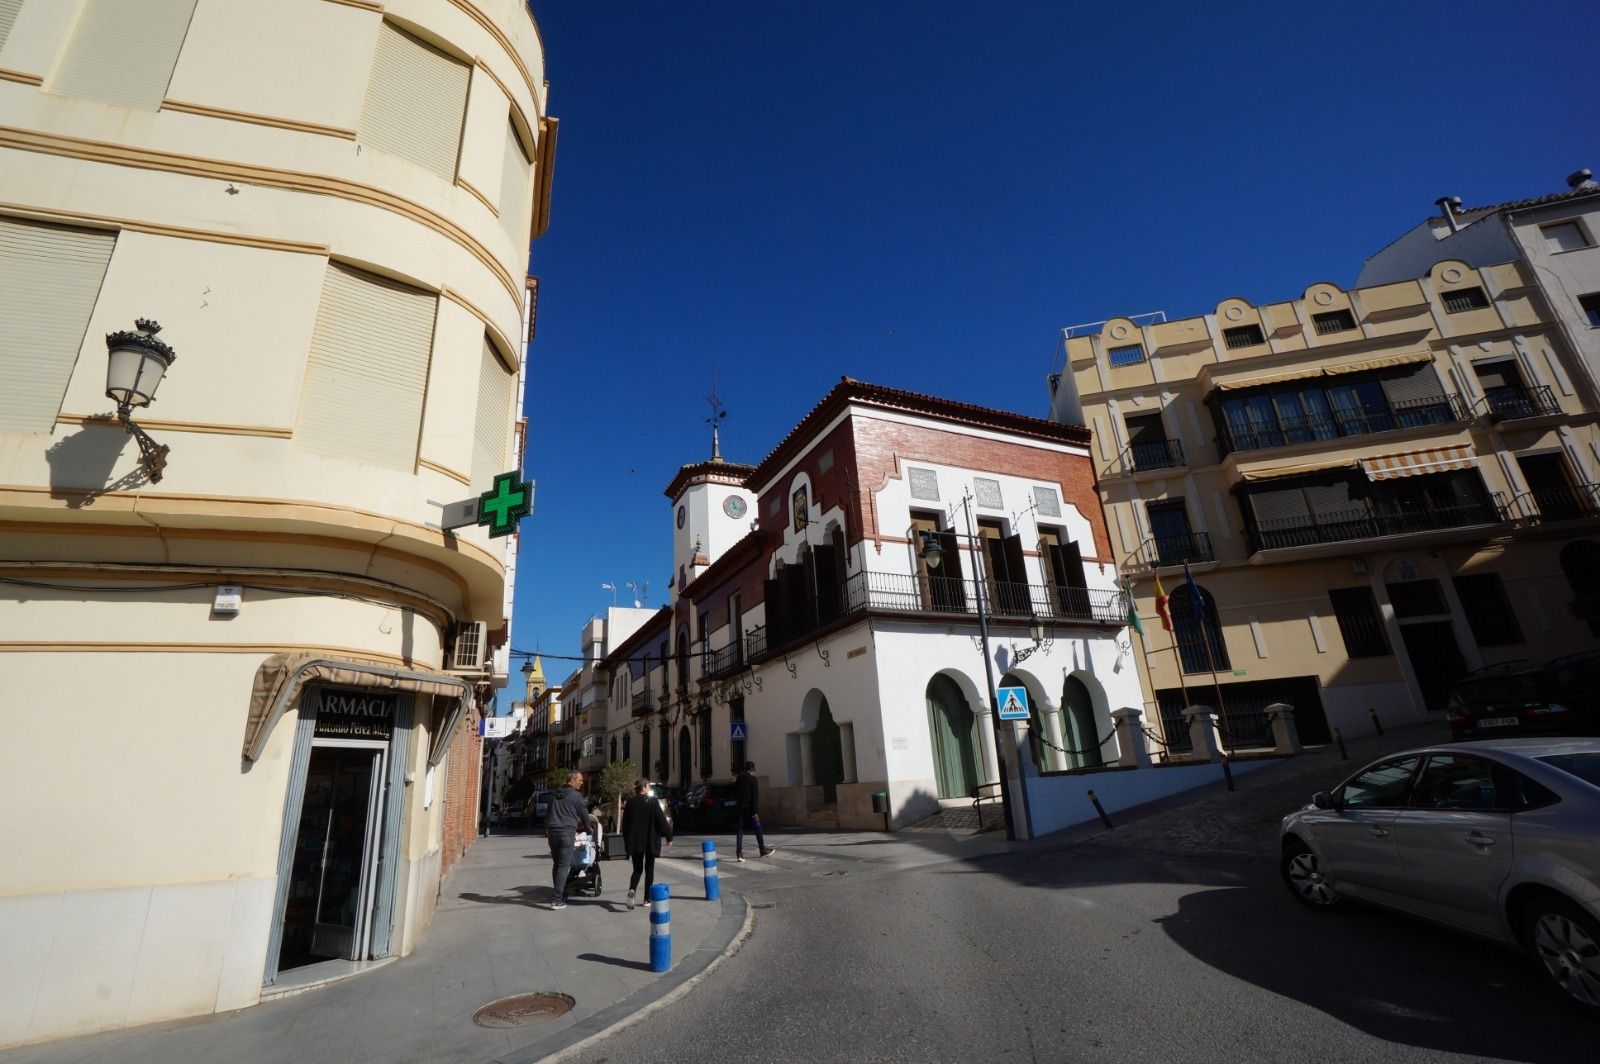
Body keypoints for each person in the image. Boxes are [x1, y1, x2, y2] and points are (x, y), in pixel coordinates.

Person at [544, 770, 599, 910]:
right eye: (580, 780)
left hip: (552, 832)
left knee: (557, 864)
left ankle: (558, 893)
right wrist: (588, 829)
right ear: (572, 780)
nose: (582, 782)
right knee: (563, 865)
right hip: (566, 832)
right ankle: (557, 899)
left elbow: (548, 812)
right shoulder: (576, 796)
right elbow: (584, 815)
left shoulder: (554, 795)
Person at [622, 778, 673, 910]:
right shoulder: (652, 802)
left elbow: (625, 825)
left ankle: (632, 889)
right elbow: (661, 820)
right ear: (643, 787)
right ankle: (647, 898)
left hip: (635, 841)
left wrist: (627, 841)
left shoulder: (630, 803)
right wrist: (669, 836)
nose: (649, 788)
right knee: (649, 870)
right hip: (650, 841)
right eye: (648, 786)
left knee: (637, 870)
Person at [734, 761, 775, 862]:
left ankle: (739, 853)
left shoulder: (738, 779)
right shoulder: (753, 780)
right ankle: (762, 850)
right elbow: (755, 798)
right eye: (753, 770)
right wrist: (756, 812)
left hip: (740, 809)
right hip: (751, 810)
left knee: (740, 830)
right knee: (758, 828)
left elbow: (735, 793)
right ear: (752, 770)